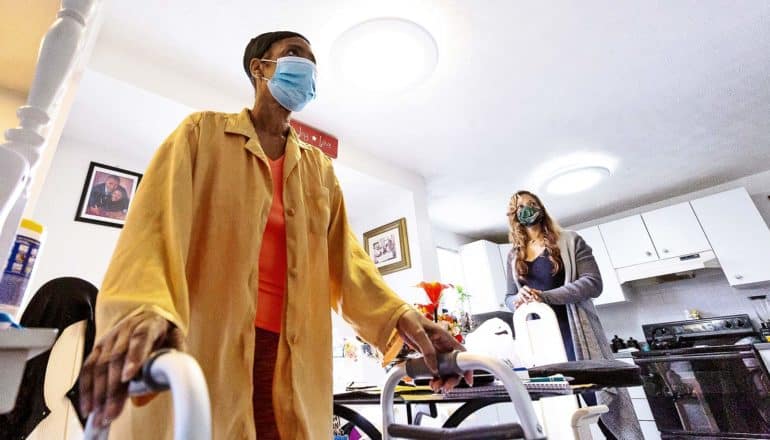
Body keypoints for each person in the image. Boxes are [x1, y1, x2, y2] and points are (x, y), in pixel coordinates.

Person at [78, 31, 470, 440]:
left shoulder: (320, 172)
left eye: (312, 62)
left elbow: (348, 264)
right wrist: (143, 309)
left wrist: (402, 317)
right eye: (295, 54)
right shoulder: (201, 135)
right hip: (208, 347)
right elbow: (153, 224)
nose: (308, 68)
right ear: (260, 68)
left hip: (292, 358)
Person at [504, 190, 643, 440]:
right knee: (560, 413)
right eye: (521, 207)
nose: (528, 209)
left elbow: (593, 283)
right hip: (540, 343)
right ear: (514, 216)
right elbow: (508, 298)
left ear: (542, 208)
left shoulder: (569, 241)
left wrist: (546, 296)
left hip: (575, 333)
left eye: (532, 204)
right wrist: (519, 298)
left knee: (598, 402)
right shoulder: (513, 255)